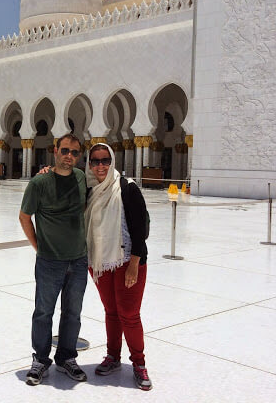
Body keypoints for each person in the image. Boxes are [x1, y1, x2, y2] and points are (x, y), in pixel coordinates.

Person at [19, 134, 88, 386]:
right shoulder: (39, 183)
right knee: (43, 312)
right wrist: (39, 246)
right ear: (55, 151)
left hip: (78, 260)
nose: (69, 156)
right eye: (65, 150)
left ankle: (67, 357)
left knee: (73, 312)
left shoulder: (81, 178)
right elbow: (24, 217)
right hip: (49, 261)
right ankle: (40, 359)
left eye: (75, 152)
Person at [85, 143, 152, 391]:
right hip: (101, 263)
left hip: (128, 262)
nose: (100, 166)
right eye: (95, 161)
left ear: (112, 161)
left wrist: (135, 263)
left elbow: (140, 230)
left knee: (130, 315)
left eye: (105, 160)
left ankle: (139, 363)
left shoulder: (127, 188)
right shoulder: (90, 190)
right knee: (111, 311)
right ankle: (113, 356)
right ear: (89, 164)